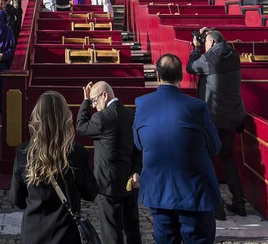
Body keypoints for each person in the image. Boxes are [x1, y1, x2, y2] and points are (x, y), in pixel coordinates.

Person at [133, 54, 220, 244]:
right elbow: (214, 146)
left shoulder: (142, 104)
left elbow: (139, 143)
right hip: (193, 191)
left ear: (157, 75)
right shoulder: (197, 107)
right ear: (181, 75)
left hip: (159, 188)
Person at [11, 90, 99, 244]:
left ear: (37, 118)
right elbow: (91, 193)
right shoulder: (77, 153)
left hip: (33, 233)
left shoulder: (24, 153)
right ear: (65, 118)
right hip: (65, 235)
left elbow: (16, 199)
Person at [187, 29, 247, 218]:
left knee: (208, 159)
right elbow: (218, 41)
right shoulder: (234, 55)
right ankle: (239, 202)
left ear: (211, 44)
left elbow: (191, 67)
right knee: (228, 158)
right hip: (232, 116)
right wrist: (208, 34)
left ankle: (216, 207)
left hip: (212, 118)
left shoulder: (209, 59)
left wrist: (196, 48)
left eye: (206, 44)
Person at [78, 81, 141, 244]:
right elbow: (137, 149)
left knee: (111, 233)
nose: (93, 105)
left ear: (105, 95)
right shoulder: (131, 115)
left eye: (94, 100)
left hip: (108, 185)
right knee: (132, 230)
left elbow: (80, 127)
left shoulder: (102, 118)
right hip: (129, 182)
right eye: (91, 102)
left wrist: (84, 101)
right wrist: (136, 171)